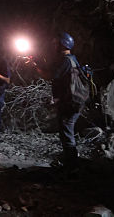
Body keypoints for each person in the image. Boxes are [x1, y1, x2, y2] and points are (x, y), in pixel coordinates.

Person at [34, 31, 84, 167]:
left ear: (62, 45)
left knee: (67, 132)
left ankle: (72, 165)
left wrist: (35, 67)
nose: (53, 46)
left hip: (70, 103)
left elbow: (50, 75)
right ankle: (71, 162)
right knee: (66, 130)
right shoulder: (72, 59)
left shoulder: (66, 61)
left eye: (56, 43)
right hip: (74, 101)